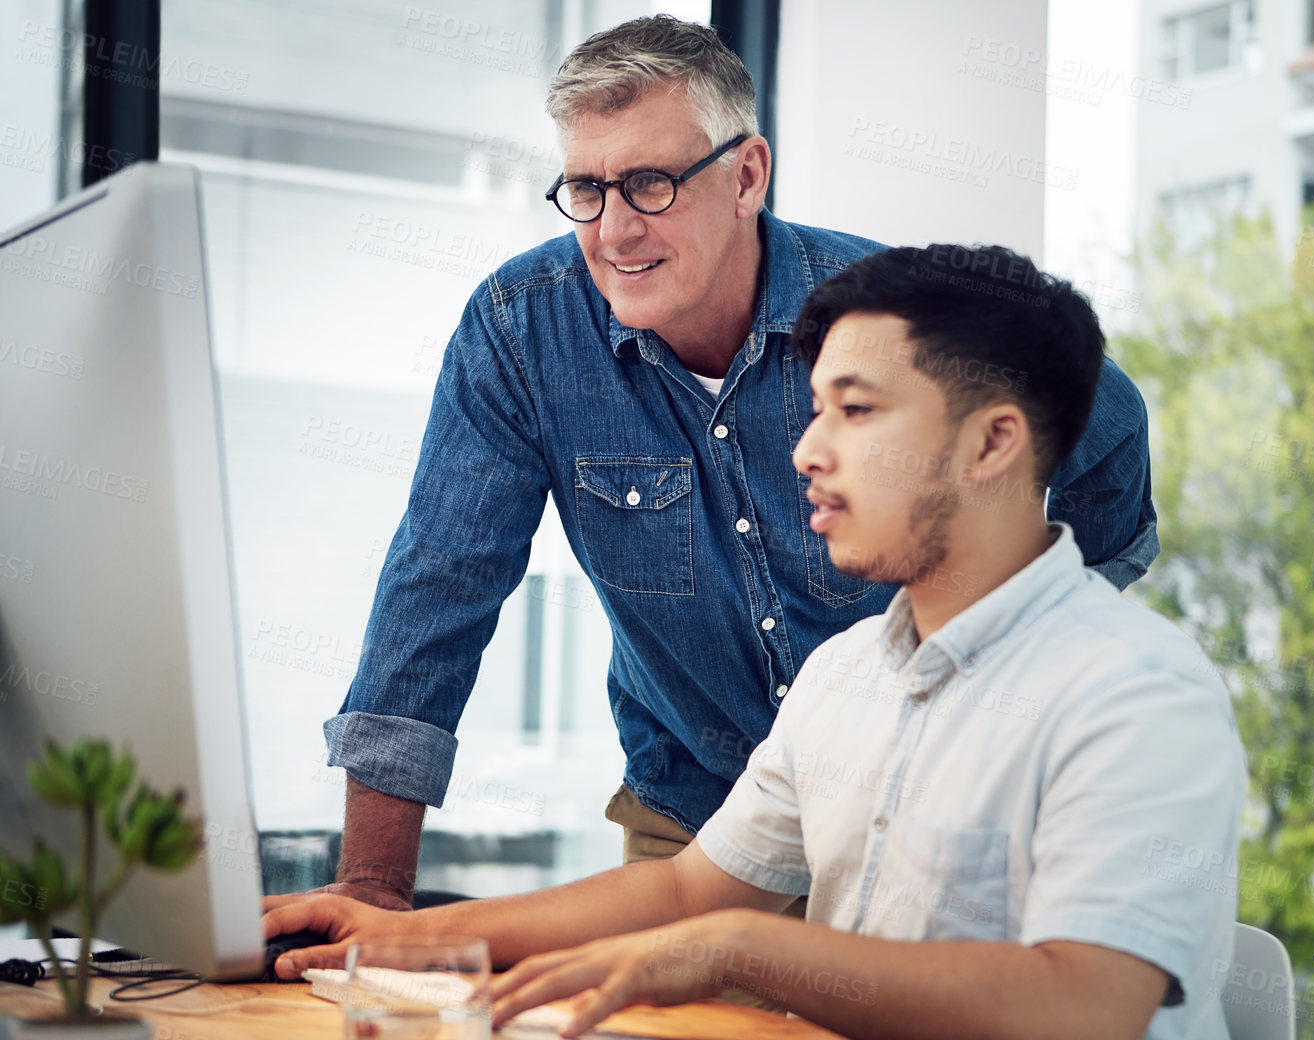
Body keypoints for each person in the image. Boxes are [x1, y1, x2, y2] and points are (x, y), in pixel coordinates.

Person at [264, 242, 1248, 1040]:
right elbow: (688, 885)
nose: (808, 452)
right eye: (816, 408)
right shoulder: (847, 676)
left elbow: (1080, 1023)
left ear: (992, 444)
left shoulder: (1135, 689)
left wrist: (741, 947)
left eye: (855, 411)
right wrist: (404, 933)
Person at [308, 15, 1161, 910]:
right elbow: (438, 587)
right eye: (586, 189)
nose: (615, 231)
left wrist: (1041, 636)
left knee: (882, 1038)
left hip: (912, 823)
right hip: (695, 829)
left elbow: (1109, 425)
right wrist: (371, 895)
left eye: (649, 184)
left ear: (747, 173)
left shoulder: (889, 321)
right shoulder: (523, 330)